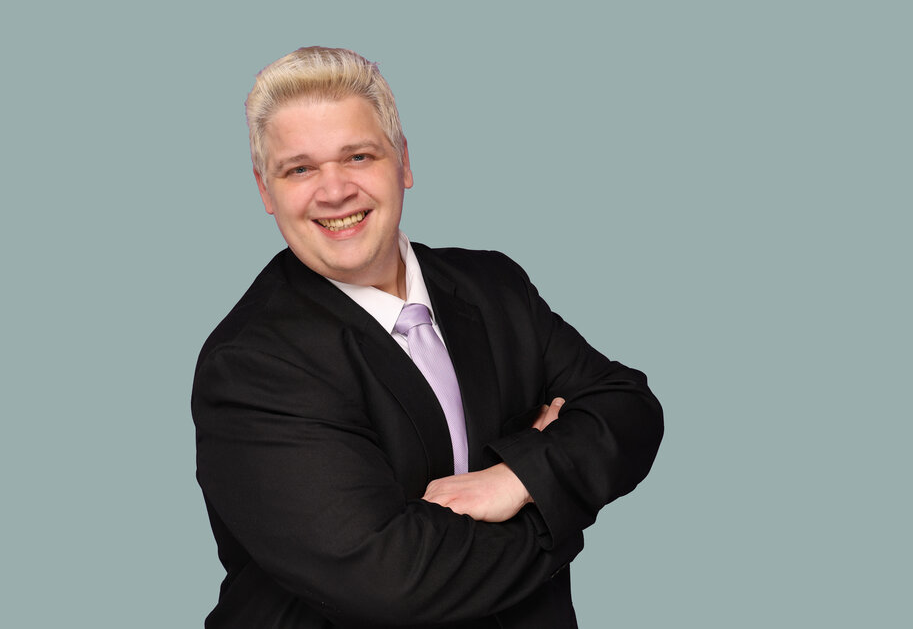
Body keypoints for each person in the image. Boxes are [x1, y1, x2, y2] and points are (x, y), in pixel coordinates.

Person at [192, 46, 663, 628]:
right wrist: (552, 498)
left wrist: (513, 478)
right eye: (300, 169)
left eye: (358, 155)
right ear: (267, 192)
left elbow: (628, 407)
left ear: (403, 162)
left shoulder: (495, 286)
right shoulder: (251, 365)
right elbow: (391, 581)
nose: (334, 191)